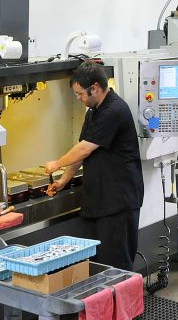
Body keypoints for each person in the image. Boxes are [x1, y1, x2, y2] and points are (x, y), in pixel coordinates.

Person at [44, 61, 144, 272]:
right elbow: (81, 150)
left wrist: (56, 163)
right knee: (101, 264)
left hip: (119, 202)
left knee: (117, 266)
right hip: (102, 200)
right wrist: (64, 179)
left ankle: (123, 304)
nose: (79, 99)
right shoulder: (94, 111)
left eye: (80, 94)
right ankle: (105, 304)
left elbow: (84, 150)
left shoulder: (114, 110)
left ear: (95, 88)